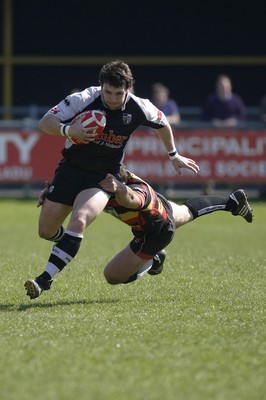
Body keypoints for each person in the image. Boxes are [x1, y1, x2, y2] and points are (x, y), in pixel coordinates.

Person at [24, 60, 199, 298]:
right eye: (108, 92)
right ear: (101, 86)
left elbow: (163, 123)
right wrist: (69, 130)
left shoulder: (140, 107)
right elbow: (45, 122)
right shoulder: (84, 99)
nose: (113, 98)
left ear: (128, 89)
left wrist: (174, 154)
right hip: (70, 169)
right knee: (46, 230)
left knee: (81, 218)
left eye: (119, 93)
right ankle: (69, 245)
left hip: (103, 176)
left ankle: (44, 279)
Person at [25, 165, 253, 298]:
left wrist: (120, 190)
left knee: (112, 276)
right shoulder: (104, 183)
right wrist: (55, 194)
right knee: (187, 211)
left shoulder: (134, 190)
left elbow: (133, 200)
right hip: (160, 211)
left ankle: (154, 260)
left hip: (156, 232)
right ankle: (232, 202)